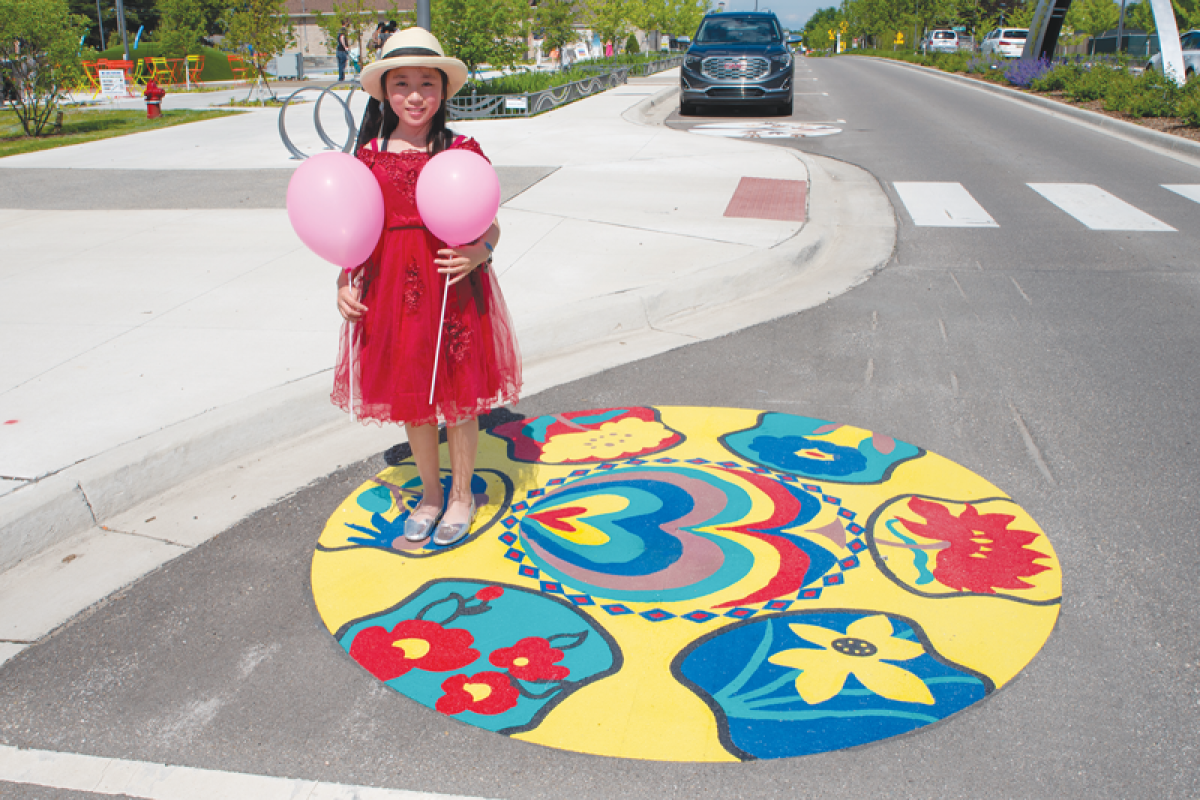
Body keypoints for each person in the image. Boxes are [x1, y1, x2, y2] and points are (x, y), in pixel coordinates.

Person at [332, 27, 521, 547]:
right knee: (414, 398)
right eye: (402, 84)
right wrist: (344, 282)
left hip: (451, 286)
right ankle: (432, 493)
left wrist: (479, 252)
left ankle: (463, 492)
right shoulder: (368, 156)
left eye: (426, 83)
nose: (415, 96)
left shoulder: (461, 150)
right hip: (394, 292)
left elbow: (491, 224)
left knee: (459, 401)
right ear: (384, 91)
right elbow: (352, 232)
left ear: (443, 90)